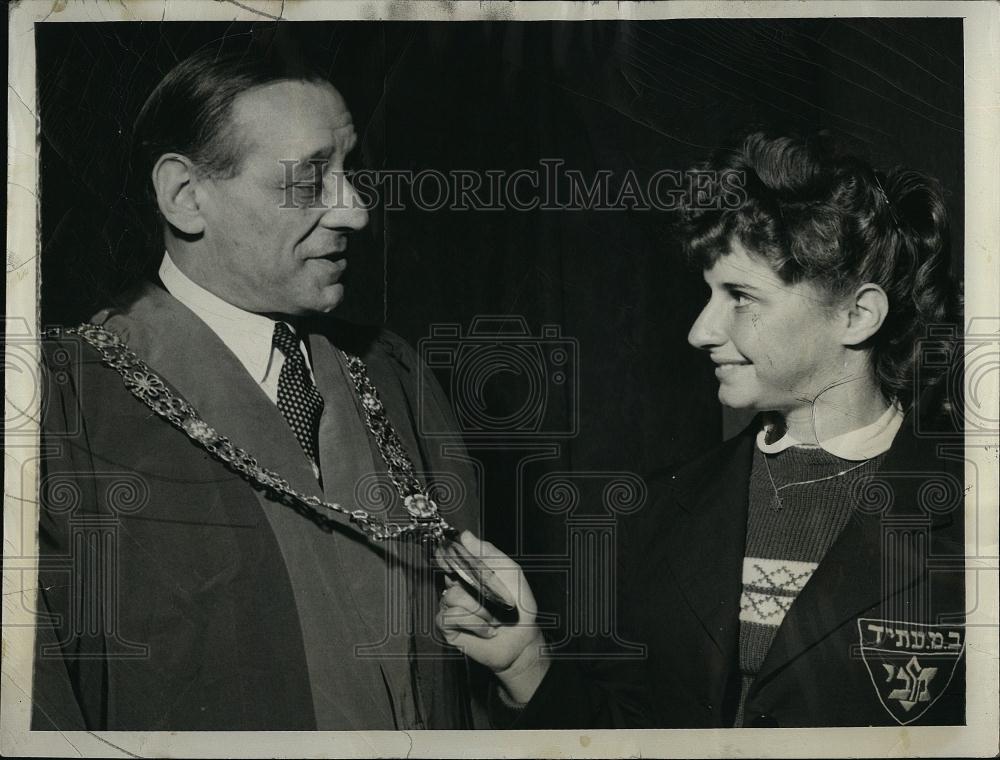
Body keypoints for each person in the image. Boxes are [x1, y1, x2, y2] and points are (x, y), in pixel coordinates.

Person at [438, 131, 967, 728]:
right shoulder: (659, 509)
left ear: (856, 315)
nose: (700, 331)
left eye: (740, 295)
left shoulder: (973, 520)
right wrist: (526, 663)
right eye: (709, 293)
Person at [32, 41, 481, 730]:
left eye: (349, 171)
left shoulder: (396, 377)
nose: (356, 211)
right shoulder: (62, 411)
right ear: (185, 196)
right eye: (308, 179)